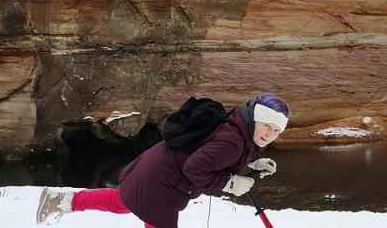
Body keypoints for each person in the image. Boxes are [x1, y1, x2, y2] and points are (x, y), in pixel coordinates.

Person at [36, 93, 290, 227]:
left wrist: (252, 164)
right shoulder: (235, 141)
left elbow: (215, 152)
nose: (270, 134)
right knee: (134, 206)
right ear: (256, 119)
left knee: (122, 202)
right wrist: (229, 183)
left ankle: (62, 201)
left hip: (158, 164)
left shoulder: (240, 126)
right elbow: (196, 167)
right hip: (163, 181)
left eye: (276, 131)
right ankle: (64, 202)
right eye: (267, 126)